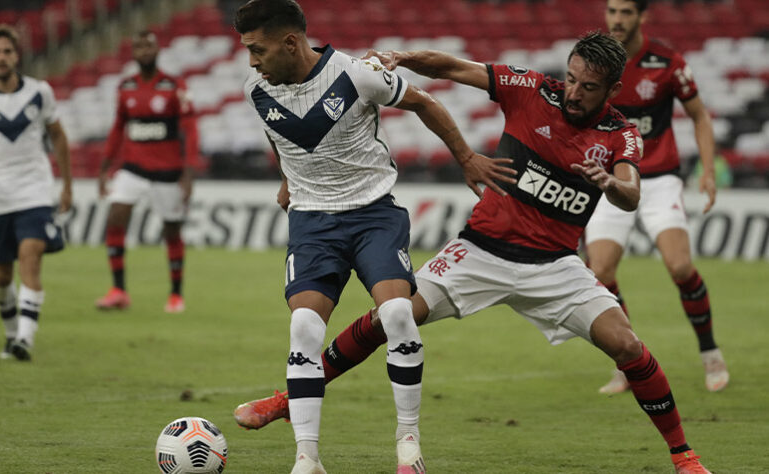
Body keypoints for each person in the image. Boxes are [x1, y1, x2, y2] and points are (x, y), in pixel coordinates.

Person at [234, 32, 713, 474]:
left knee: (627, 345)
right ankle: (287, 400)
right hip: (478, 252)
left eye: (588, 86)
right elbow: (451, 68)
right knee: (392, 316)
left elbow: (631, 192)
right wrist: (403, 58)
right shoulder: (529, 88)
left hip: (555, 266)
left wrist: (610, 182)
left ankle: (684, 455)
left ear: (611, 90)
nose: (573, 91)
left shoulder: (619, 133)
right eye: (571, 78)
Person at [233, 1, 516, 473]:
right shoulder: (255, 89)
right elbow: (277, 134)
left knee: (399, 312)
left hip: (373, 217)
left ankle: (409, 447)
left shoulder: (356, 75)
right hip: (312, 223)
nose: (252, 62)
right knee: (303, 328)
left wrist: (466, 156)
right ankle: (307, 459)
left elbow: (424, 102)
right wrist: (288, 179)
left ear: (290, 42)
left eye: (257, 50)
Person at [590, 0, 728, 394]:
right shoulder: (595, 62)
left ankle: (710, 352)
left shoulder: (667, 63)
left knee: (680, 267)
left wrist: (707, 169)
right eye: (612, 11)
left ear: (641, 16)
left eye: (626, 12)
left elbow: (699, 116)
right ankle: (629, 363)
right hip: (612, 179)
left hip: (659, 178)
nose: (617, 19)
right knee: (599, 274)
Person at [0, 24, 73, 361]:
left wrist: (66, 184)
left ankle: (24, 339)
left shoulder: (39, 93)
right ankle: (10, 335)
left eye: (7, 51)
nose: (2, 57)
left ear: (17, 55)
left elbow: (59, 137)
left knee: (30, 258)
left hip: (34, 191)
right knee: (2, 275)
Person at [95, 31, 200, 314]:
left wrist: (188, 173)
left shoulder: (174, 86)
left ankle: (176, 294)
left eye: (148, 46)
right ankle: (118, 290)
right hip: (132, 168)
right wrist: (105, 168)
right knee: (116, 216)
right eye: (138, 46)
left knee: (171, 232)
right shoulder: (125, 86)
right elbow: (118, 129)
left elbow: (190, 130)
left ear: (157, 50)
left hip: (167, 172)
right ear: (133, 52)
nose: (143, 50)